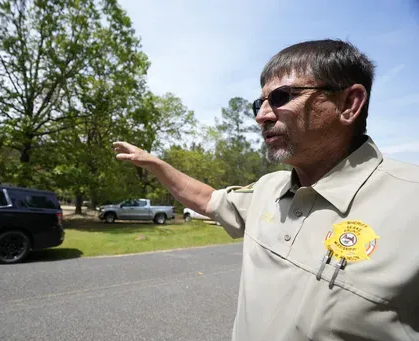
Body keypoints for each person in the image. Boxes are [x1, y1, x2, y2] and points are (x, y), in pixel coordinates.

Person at [113, 39, 419, 341]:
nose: (262, 115)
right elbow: (207, 198)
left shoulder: (410, 203)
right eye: (260, 103)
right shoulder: (267, 189)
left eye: (282, 96)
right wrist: (154, 163)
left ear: (348, 103)